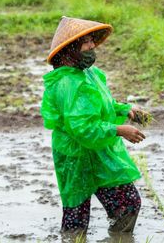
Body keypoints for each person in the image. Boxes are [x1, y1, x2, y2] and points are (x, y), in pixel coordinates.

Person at [41, 17, 147, 234]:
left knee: (127, 206)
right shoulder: (68, 83)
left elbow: (101, 105)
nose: (92, 47)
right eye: (86, 43)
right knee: (76, 220)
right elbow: (82, 128)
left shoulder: (87, 74)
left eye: (92, 41)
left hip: (97, 154)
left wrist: (125, 110)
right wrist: (119, 130)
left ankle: (118, 238)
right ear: (70, 50)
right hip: (76, 158)